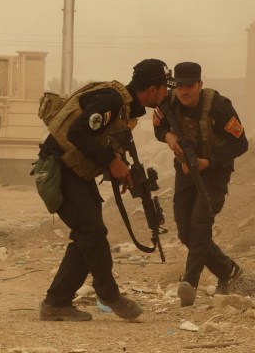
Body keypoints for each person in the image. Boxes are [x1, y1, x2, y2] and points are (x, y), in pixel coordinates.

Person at [37, 59, 171, 322]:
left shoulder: (125, 110)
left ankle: (56, 302)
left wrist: (120, 168)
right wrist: (111, 162)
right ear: (153, 89)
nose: (167, 94)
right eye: (165, 88)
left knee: (88, 235)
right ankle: (109, 294)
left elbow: (100, 141)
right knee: (92, 232)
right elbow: (77, 133)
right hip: (58, 169)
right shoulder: (111, 101)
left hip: (77, 172)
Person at [152, 62, 248, 306]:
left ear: (200, 85)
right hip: (185, 169)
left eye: (190, 86)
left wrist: (210, 162)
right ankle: (228, 270)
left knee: (200, 223)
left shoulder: (219, 107)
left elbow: (241, 144)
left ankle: (190, 282)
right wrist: (168, 136)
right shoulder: (168, 102)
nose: (184, 91)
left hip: (214, 172)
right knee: (185, 229)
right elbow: (158, 126)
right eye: (180, 86)